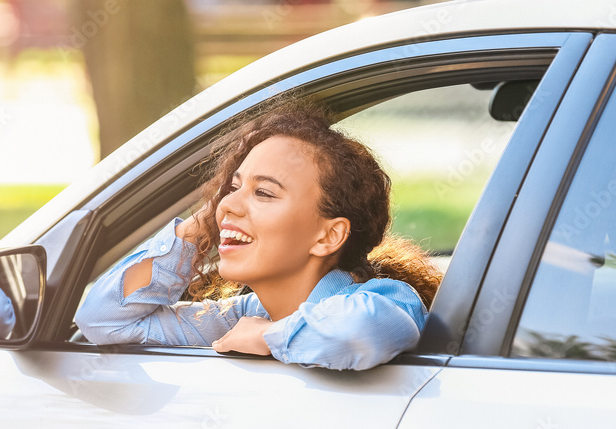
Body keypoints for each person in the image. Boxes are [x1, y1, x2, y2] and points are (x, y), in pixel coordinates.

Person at [74, 101, 443, 370]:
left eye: (263, 192)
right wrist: (200, 227)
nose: (228, 205)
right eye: (232, 188)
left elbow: (361, 332)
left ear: (329, 236)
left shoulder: (385, 299)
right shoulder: (245, 313)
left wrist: (270, 336)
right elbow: (105, 320)